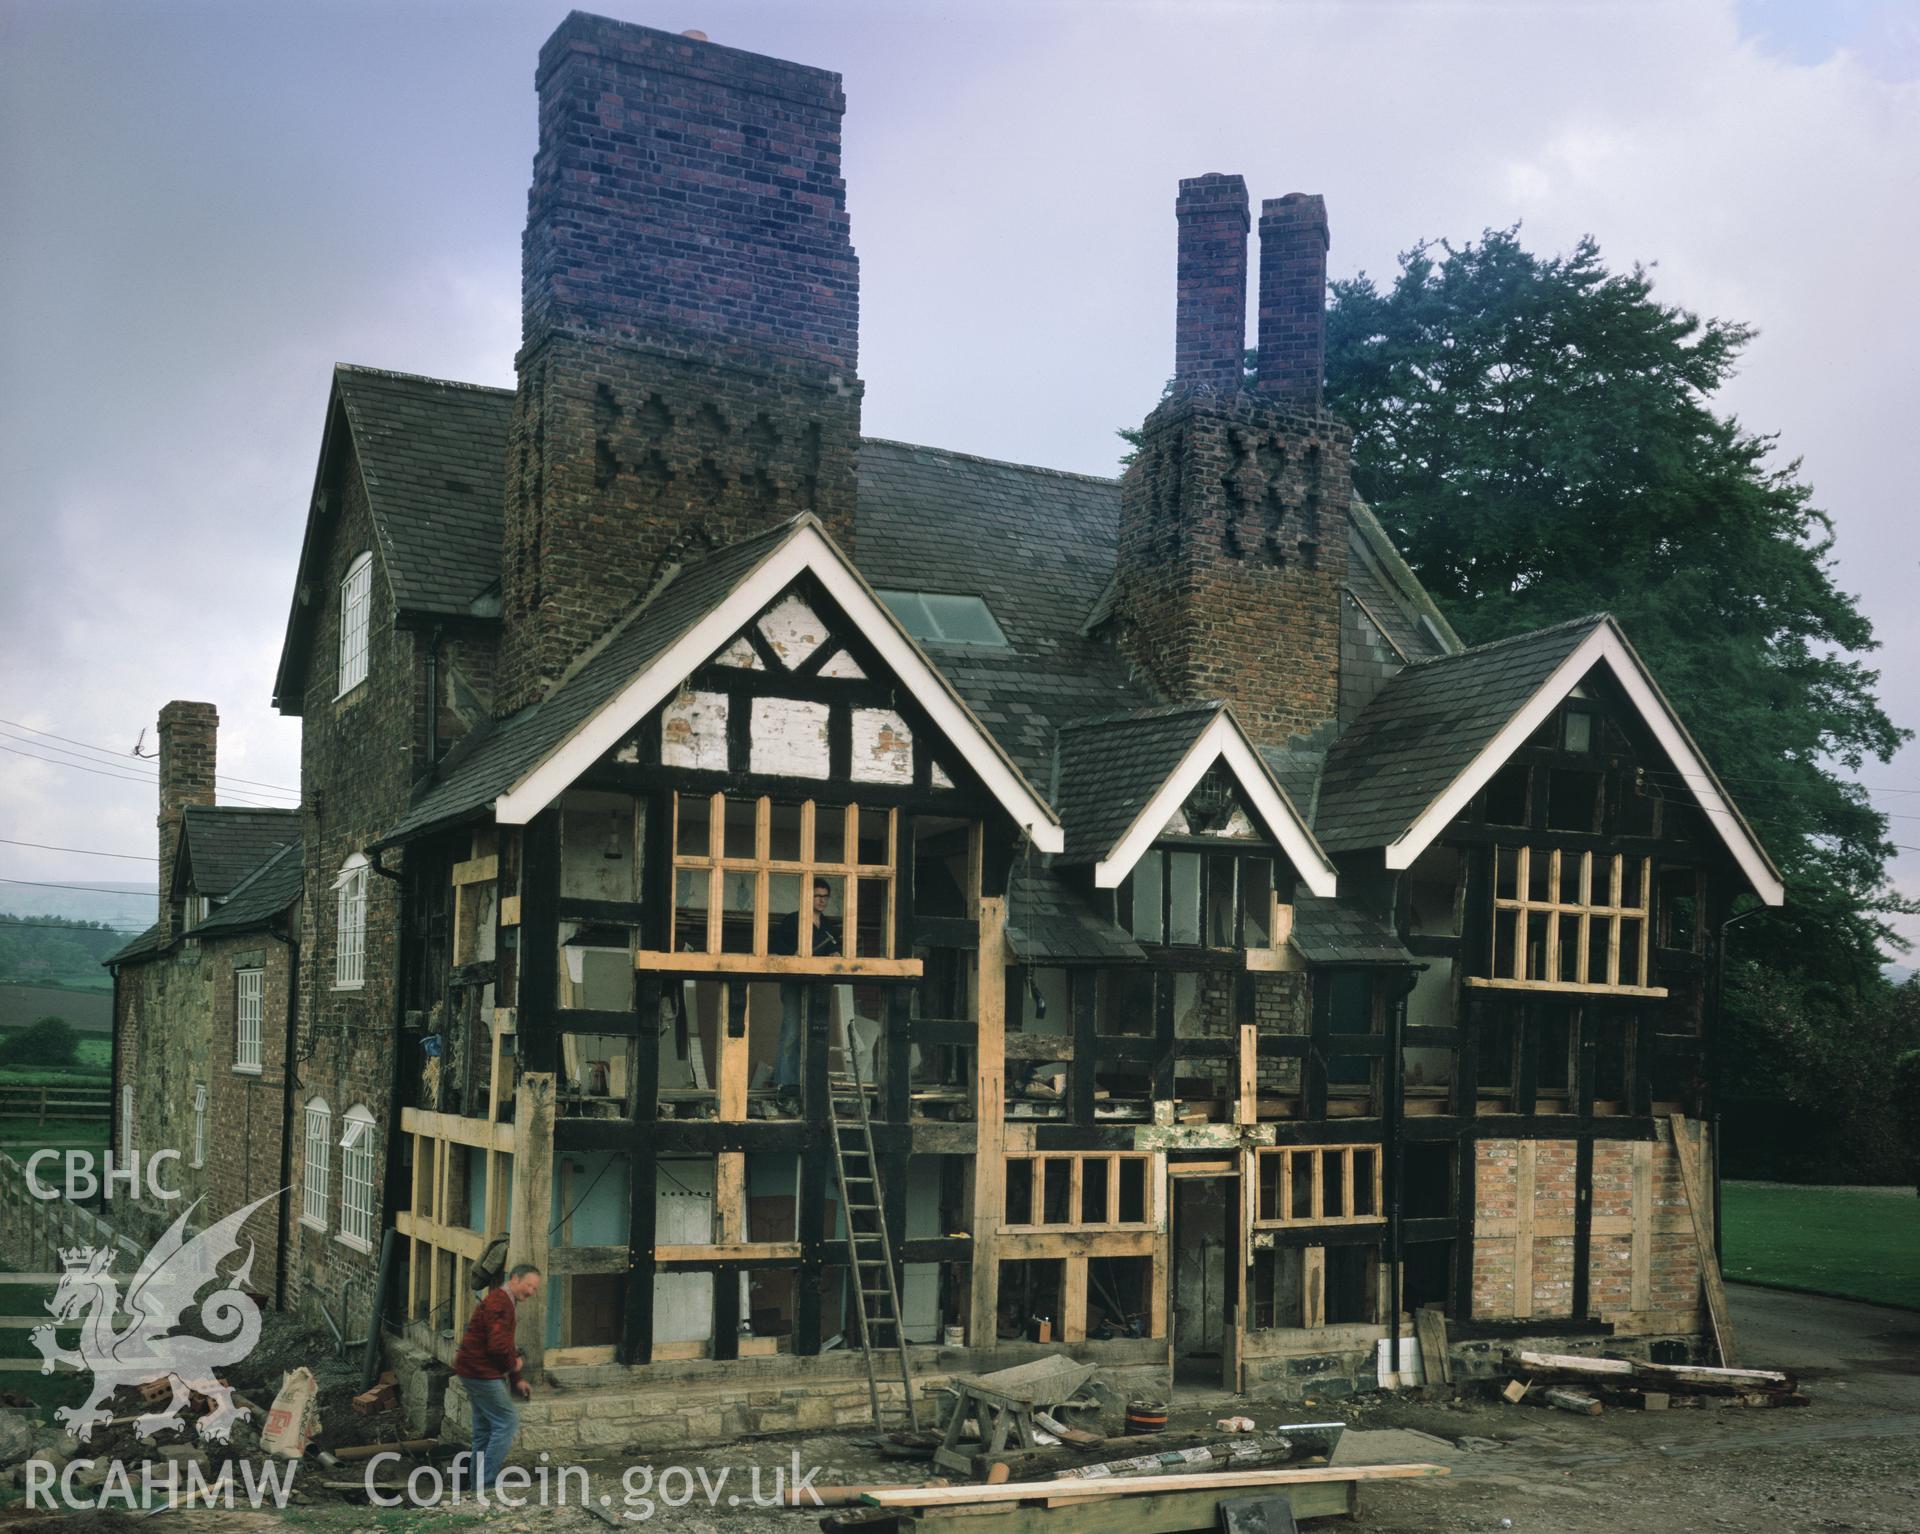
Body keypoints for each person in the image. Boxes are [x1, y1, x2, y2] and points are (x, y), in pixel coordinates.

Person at [452, 1262, 541, 1494]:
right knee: (507, 1421)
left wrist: (516, 1378)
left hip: (472, 1369)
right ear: (514, 1279)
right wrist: (513, 1365)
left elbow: (506, 1345)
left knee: (483, 1430)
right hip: (481, 1372)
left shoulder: (504, 1302)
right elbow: (498, 1347)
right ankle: (486, 1484)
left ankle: (475, 1488)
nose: (531, 1292)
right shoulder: (499, 1303)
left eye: (535, 1289)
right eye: (529, 1286)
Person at [772, 877, 838, 1114]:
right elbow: (775, 946)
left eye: (825, 896)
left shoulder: (827, 925)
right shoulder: (793, 921)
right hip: (793, 981)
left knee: (814, 1033)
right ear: (807, 897)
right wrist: (794, 954)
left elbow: (833, 948)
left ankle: (807, 1082)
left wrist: (835, 955)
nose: (822, 900)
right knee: (791, 1031)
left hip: (818, 984)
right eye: (818, 895)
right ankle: (786, 1084)